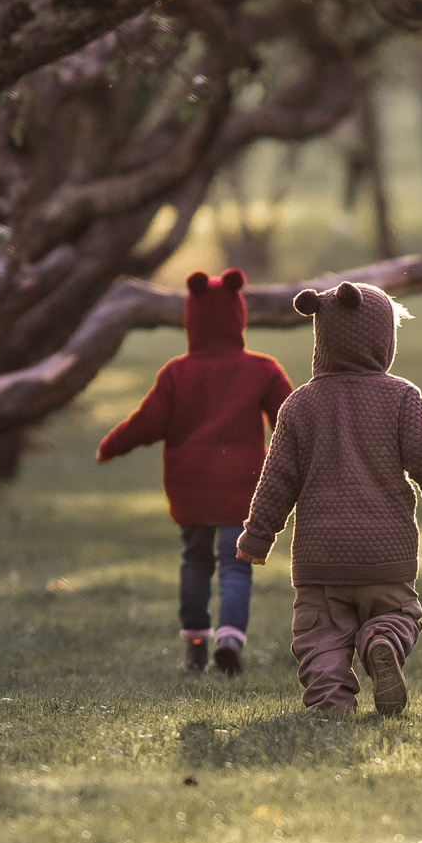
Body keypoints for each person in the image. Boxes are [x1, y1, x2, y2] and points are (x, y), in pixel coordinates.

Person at [236, 281, 422, 716]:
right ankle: (383, 640)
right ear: (383, 341)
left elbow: (278, 476)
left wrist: (257, 536)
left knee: (319, 637)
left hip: (321, 559)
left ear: (322, 338)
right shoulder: (401, 396)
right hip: (386, 552)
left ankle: (330, 702)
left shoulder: (299, 405)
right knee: (399, 613)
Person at [96, 269, 294, 674]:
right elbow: (292, 422)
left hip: (191, 492)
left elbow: (146, 423)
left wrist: (112, 445)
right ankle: (230, 638)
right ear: (238, 317)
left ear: (192, 320)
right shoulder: (262, 369)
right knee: (237, 565)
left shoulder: (176, 374)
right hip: (243, 490)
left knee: (196, 562)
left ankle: (196, 646)